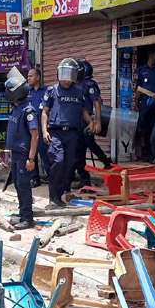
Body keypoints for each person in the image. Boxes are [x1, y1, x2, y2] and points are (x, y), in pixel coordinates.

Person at [42, 58, 95, 208]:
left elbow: (84, 110)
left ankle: (59, 196)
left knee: (69, 165)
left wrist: (90, 122)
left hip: (73, 133)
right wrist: (45, 130)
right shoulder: (52, 90)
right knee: (58, 162)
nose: (66, 80)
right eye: (64, 75)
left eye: (69, 76)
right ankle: (53, 196)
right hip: (56, 133)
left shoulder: (79, 91)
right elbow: (45, 112)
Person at [5, 76, 39, 229]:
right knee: (18, 184)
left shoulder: (28, 111)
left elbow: (35, 135)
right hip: (16, 154)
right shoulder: (16, 108)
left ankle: (27, 218)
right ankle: (22, 212)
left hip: (25, 155)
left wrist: (31, 158)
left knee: (24, 185)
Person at [72, 60, 109, 189]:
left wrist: (97, 122)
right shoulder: (77, 84)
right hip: (78, 122)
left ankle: (85, 177)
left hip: (86, 123)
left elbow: (97, 103)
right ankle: (85, 175)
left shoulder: (89, 84)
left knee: (81, 150)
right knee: (83, 148)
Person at [134, 51, 155, 161]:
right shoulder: (141, 70)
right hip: (145, 103)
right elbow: (139, 88)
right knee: (145, 128)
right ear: (151, 56)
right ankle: (150, 153)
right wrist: (136, 104)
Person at [27, 67, 48, 187]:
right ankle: (34, 178)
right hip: (30, 128)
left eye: (31, 76)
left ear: (38, 77)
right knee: (32, 154)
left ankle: (51, 177)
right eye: (28, 76)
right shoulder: (26, 91)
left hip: (43, 128)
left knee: (46, 154)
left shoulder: (47, 91)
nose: (28, 78)